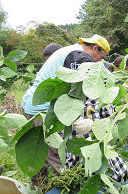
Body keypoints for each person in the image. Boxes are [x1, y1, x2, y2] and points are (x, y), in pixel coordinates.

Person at [21, 34, 110, 186]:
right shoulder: (78, 56)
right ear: (95, 48)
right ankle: (62, 186)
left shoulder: (70, 50)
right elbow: (76, 90)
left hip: (31, 104)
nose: (98, 63)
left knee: (37, 152)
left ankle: (39, 188)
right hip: (44, 109)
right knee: (58, 156)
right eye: (100, 58)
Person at [62, 50, 128, 181]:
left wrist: (94, 125)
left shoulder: (100, 96)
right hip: (74, 161)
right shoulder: (62, 98)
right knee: (75, 182)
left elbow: (113, 125)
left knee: (113, 177)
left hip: (101, 158)